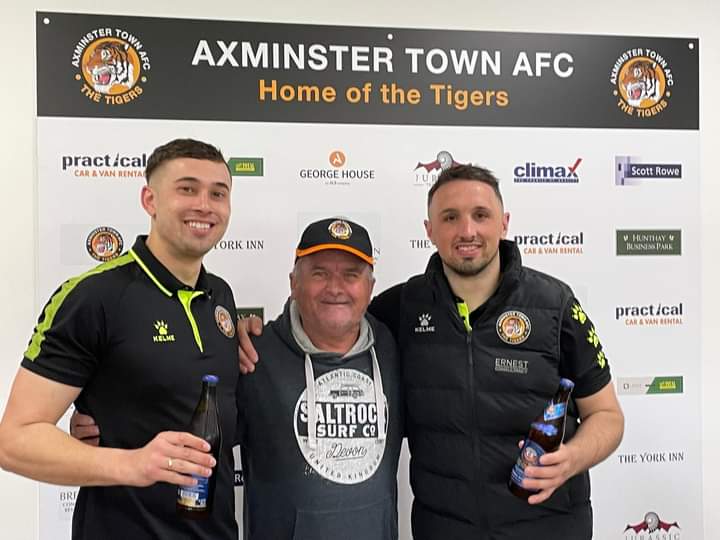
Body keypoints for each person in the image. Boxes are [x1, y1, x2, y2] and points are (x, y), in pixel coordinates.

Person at [239, 165, 624, 540]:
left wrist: (570, 460)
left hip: (549, 527)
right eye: (450, 217)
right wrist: (258, 335)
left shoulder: (554, 305)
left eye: (481, 215)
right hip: (445, 528)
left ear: (504, 222)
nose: (467, 230)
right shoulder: (402, 309)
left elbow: (607, 415)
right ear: (430, 230)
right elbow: (330, 320)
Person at [72, 217, 404, 540]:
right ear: (294, 283)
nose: (335, 288)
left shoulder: (395, 349)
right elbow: (189, 423)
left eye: (351, 275)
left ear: (370, 287)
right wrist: (110, 424)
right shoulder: (252, 355)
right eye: (319, 273)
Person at [0, 139, 240, 540]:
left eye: (218, 193)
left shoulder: (222, 296)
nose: (204, 204)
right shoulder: (94, 296)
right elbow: (15, 439)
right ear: (150, 199)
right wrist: (133, 464)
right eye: (187, 188)